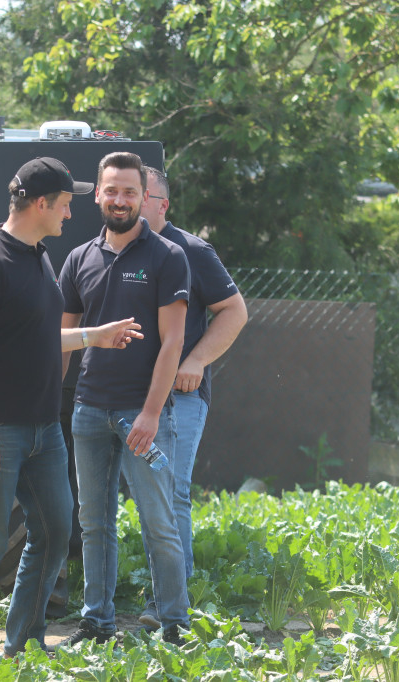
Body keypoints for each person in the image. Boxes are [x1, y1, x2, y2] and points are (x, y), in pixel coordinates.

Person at [0, 157, 145, 658]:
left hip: (43, 431)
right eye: (63, 204)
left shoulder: (38, 256)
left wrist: (95, 336)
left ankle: (24, 644)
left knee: (57, 531)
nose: (69, 214)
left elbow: (38, 337)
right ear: (39, 205)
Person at [58, 151, 192, 646]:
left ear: (145, 197)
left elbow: (173, 343)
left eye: (130, 192)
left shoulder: (166, 257)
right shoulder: (79, 259)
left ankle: (175, 624)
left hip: (143, 414)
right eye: (111, 190)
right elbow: (62, 339)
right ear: (97, 194)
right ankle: (98, 623)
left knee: (159, 522)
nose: (120, 199)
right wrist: (50, 402)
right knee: (94, 524)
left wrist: (152, 414)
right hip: (89, 411)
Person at [136, 166, 248, 629]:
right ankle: (162, 596)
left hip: (180, 399)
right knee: (147, 497)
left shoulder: (193, 251)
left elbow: (235, 311)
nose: (129, 202)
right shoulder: (117, 249)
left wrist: (196, 361)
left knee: (172, 492)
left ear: (162, 204)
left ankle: (170, 608)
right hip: (131, 399)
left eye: (141, 195)